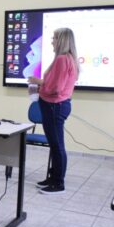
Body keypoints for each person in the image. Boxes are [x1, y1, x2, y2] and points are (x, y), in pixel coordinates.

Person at [28, 28, 79, 194]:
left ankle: (58, 183)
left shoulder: (62, 59)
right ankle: (53, 177)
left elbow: (56, 89)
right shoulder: (68, 58)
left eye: (54, 38)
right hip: (56, 106)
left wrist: (39, 84)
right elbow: (57, 84)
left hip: (54, 106)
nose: (51, 41)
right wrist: (42, 82)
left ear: (62, 40)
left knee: (57, 146)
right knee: (55, 145)